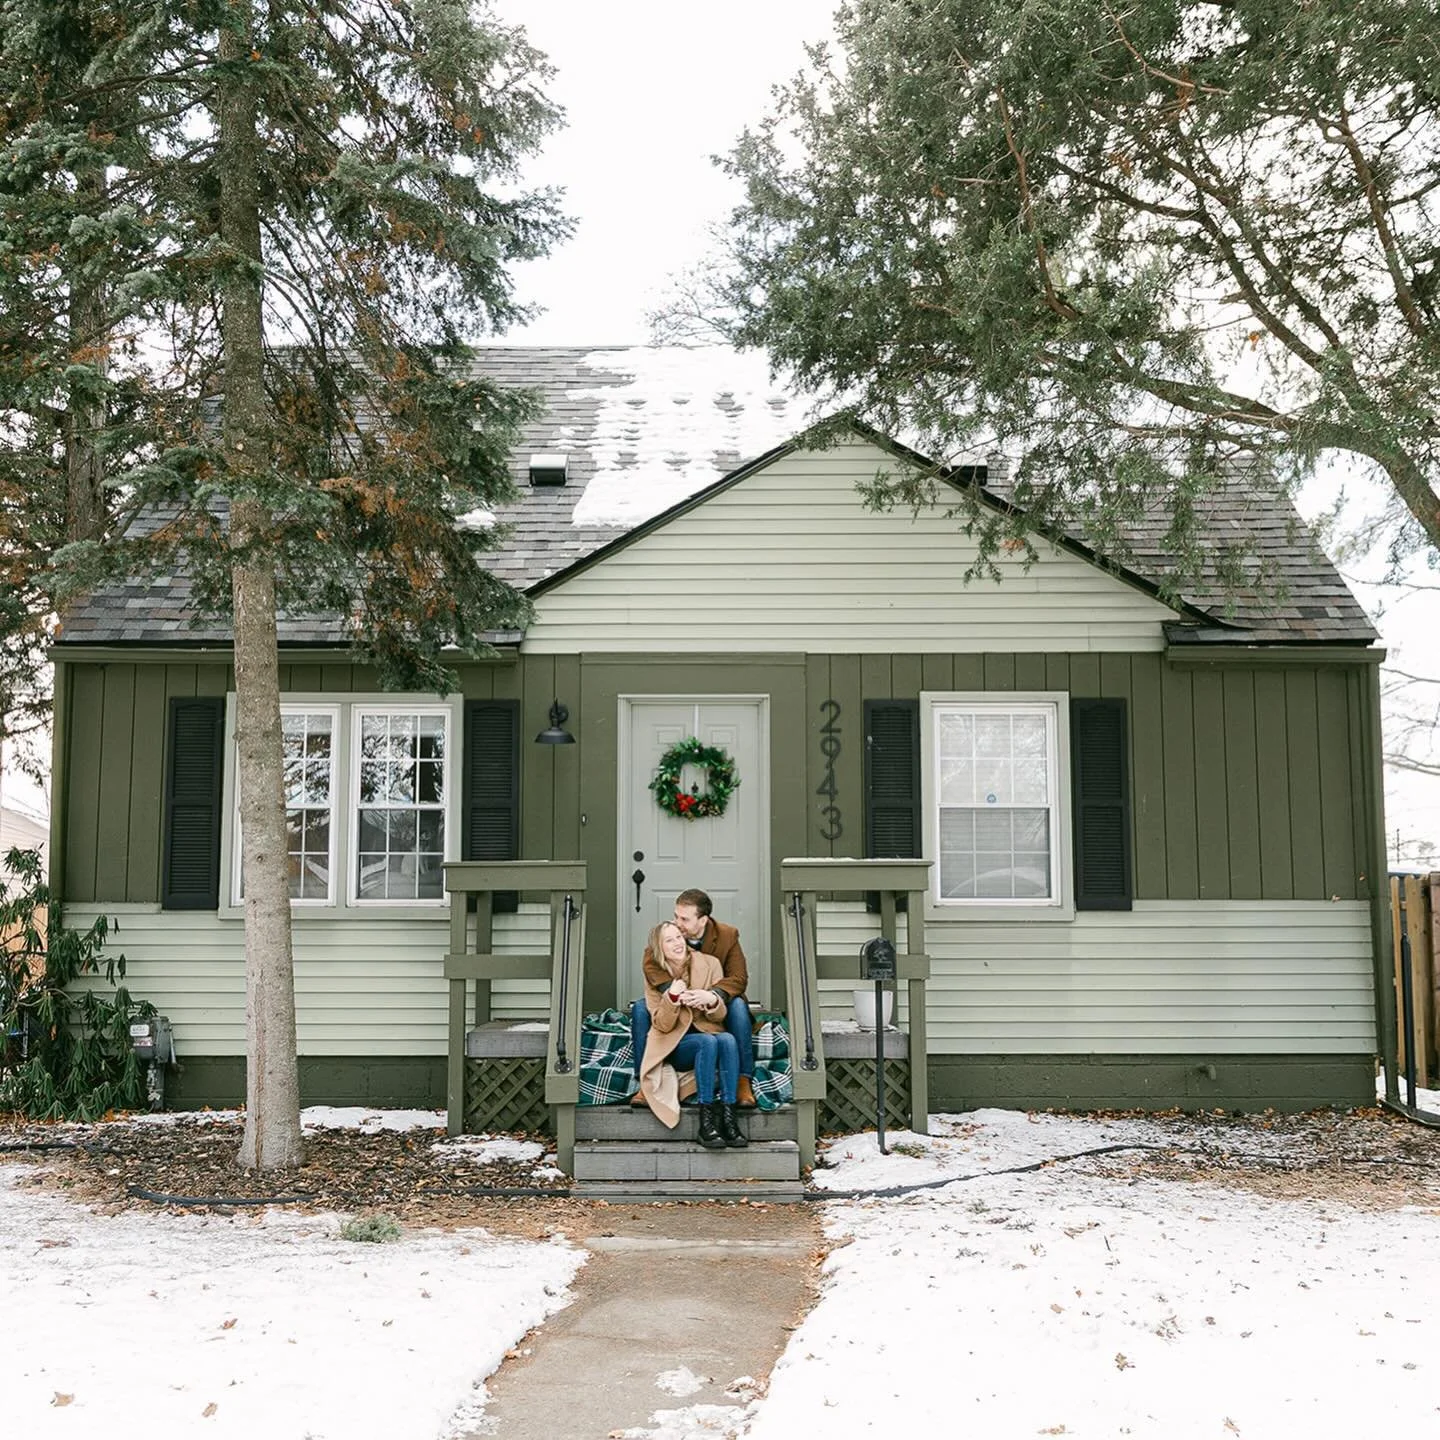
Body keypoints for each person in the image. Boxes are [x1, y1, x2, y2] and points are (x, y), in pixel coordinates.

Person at [630, 888, 756, 1108]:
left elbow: (738, 978)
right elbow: (651, 966)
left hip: (710, 1009)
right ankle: (645, 1079)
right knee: (640, 1008)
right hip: (676, 1007)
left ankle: (742, 1079)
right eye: (676, 915)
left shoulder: (727, 935)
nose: (677, 923)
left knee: (738, 1005)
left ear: (703, 920)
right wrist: (676, 992)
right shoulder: (667, 935)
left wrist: (712, 995)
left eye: (684, 919)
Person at [634, 921, 747, 1149]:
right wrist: (672, 998)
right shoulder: (656, 974)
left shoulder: (710, 963)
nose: (677, 943)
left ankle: (728, 1116)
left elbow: (718, 1018)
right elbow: (662, 1025)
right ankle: (706, 1123)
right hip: (675, 1043)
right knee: (706, 1042)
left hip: (708, 1031)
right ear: (660, 948)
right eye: (669, 940)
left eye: (678, 937)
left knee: (727, 1039)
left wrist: (712, 1000)